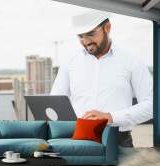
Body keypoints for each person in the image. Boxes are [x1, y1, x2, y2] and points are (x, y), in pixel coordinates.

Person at [50, 12, 153, 147]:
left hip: (117, 141)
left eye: (91, 34)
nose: (86, 42)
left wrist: (110, 117)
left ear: (107, 28)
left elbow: (151, 106)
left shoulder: (132, 61)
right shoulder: (69, 63)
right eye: (81, 36)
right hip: (77, 139)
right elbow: (55, 102)